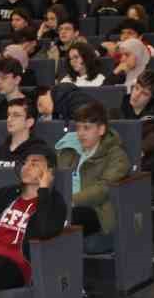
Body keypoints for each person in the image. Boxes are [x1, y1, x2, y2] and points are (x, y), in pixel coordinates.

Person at [0, 143, 68, 290]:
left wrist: (44, 190)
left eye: (34, 163)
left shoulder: (54, 202)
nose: (26, 167)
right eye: (25, 162)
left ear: (49, 172)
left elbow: (44, 231)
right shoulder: (5, 194)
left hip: (15, 265)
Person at [55, 101, 130, 242]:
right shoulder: (68, 150)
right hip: (65, 205)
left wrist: (70, 201)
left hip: (96, 210)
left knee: (69, 216)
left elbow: (103, 188)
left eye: (86, 128)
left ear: (101, 129)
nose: (81, 133)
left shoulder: (116, 155)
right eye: (78, 128)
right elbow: (55, 177)